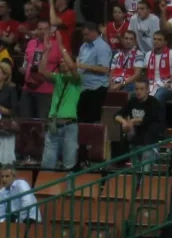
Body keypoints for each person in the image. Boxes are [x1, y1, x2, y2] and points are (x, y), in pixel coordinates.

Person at [40, 32, 82, 171]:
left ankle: (68, 191)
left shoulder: (77, 80)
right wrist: (46, 51)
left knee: (69, 164)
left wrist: (60, 46)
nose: (63, 62)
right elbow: (42, 70)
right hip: (53, 124)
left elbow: (72, 67)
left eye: (65, 61)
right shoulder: (58, 78)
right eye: (61, 61)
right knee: (47, 164)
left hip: (69, 126)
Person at [114, 77, 166, 168]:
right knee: (136, 171)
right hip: (135, 140)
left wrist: (132, 121)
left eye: (142, 89)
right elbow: (117, 115)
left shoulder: (154, 103)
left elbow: (148, 119)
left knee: (145, 171)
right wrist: (124, 122)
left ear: (147, 90)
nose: (138, 92)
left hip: (149, 141)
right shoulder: (132, 101)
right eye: (137, 89)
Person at [75, 20, 112, 123]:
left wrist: (84, 66)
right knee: (81, 120)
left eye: (86, 35)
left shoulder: (102, 47)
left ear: (94, 32)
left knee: (91, 121)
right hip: (83, 88)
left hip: (96, 89)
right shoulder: (84, 46)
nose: (84, 37)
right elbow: (79, 61)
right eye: (83, 35)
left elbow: (104, 69)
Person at [20, 20, 53, 118]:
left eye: (45, 29)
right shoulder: (31, 43)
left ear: (50, 30)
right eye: (40, 29)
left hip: (46, 89)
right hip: (28, 87)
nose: (42, 31)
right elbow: (27, 59)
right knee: (25, 121)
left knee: (42, 122)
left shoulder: (55, 44)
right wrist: (24, 67)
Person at [145, 30, 172, 102]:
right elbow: (144, 72)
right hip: (151, 87)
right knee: (133, 94)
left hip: (169, 87)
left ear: (165, 42)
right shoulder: (148, 55)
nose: (156, 41)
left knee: (159, 94)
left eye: (159, 40)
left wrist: (170, 81)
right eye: (154, 39)